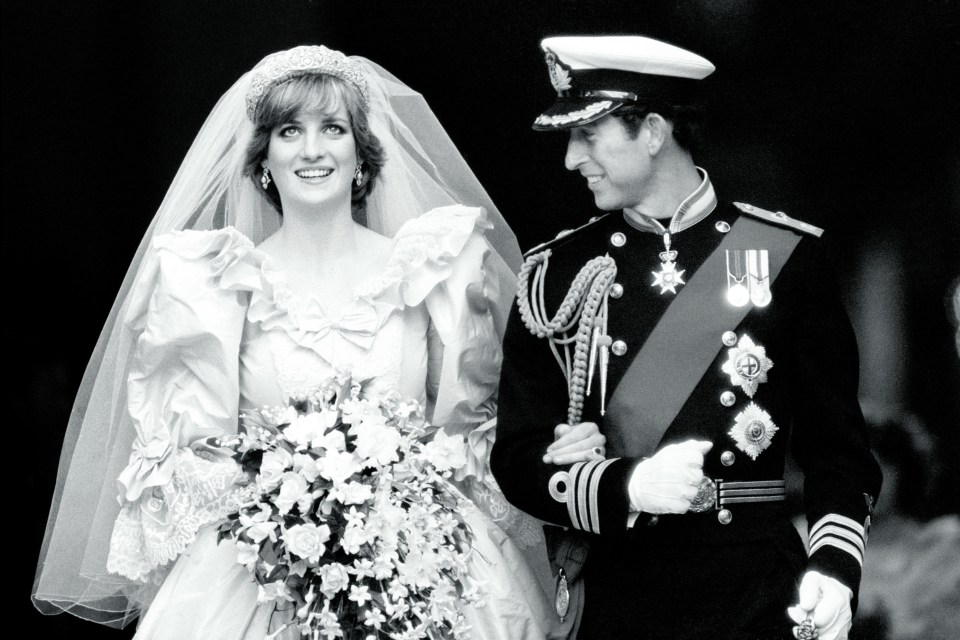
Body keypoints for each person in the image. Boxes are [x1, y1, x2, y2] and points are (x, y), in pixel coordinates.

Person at [32, 44, 597, 639]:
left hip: (425, 558)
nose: (312, 149)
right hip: (261, 572)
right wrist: (288, 509)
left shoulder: (432, 269)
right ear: (261, 160)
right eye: (288, 130)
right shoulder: (216, 287)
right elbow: (200, 460)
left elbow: (468, 433)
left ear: (360, 153)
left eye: (333, 128)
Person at [491, 36, 883, 640]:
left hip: (760, 595)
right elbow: (517, 457)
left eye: (588, 135)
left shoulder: (782, 256)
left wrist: (833, 567)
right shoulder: (558, 272)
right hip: (621, 598)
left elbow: (839, 450)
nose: (571, 159)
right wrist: (627, 485)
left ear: (651, 130)